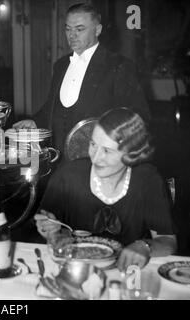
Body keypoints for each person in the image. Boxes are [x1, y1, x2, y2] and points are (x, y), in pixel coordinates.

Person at [34, 108, 177, 271]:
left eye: (107, 151)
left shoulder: (148, 180)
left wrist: (145, 246)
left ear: (132, 153)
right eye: (93, 144)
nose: (95, 157)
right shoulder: (67, 176)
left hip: (130, 273)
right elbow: (45, 226)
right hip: (76, 272)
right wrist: (51, 231)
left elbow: (168, 241)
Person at [13, 3, 150, 156]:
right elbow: (54, 107)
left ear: (97, 30)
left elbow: (138, 117)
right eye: (68, 29)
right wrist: (36, 122)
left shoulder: (119, 65)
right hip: (57, 158)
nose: (72, 36)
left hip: (95, 160)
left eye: (79, 29)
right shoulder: (61, 65)